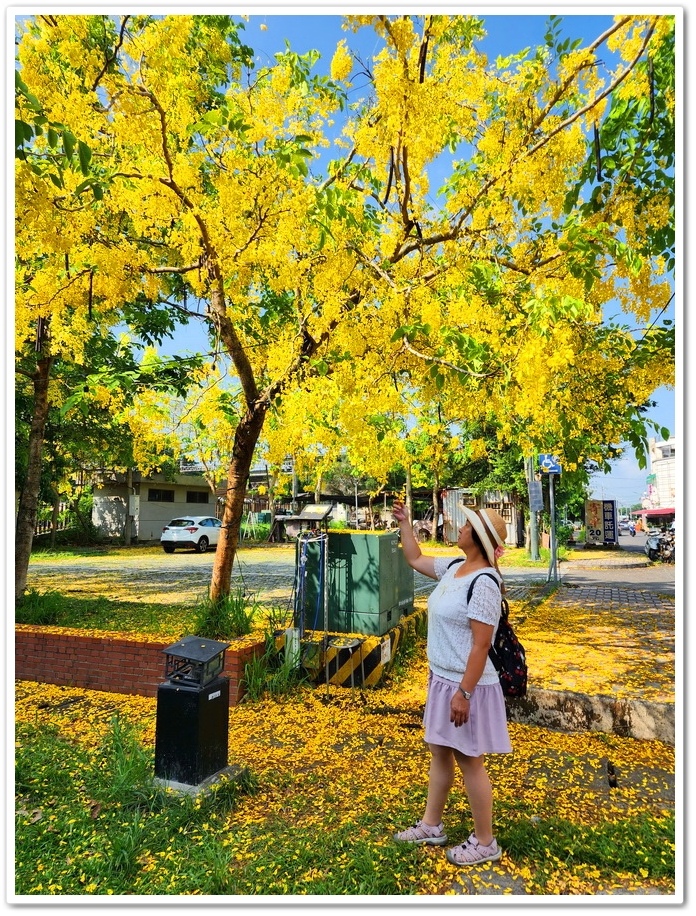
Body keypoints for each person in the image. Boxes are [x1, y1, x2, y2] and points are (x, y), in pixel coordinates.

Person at [391, 499, 512, 866]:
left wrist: (463, 693)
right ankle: (432, 824)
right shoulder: (456, 568)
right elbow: (415, 559)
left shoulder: (485, 583)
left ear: (477, 538)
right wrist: (405, 524)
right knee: (440, 750)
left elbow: (481, 645)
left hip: (466, 685)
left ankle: (485, 842)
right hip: (443, 678)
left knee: (469, 759)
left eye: (465, 526)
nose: (458, 529)